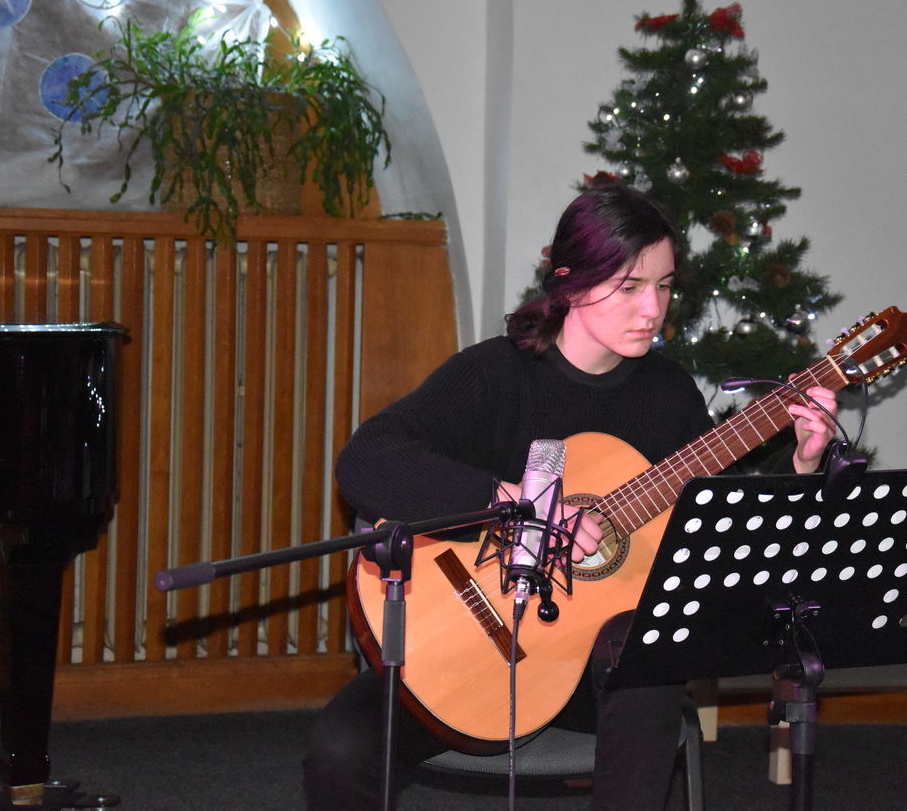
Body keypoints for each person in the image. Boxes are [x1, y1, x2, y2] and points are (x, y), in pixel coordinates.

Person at [303, 184, 837, 810]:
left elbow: (722, 534)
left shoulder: (668, 397)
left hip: (595, 682)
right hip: (462, 653)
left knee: (642, 646)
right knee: (341, 749)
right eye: (629, 286)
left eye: (664, 286)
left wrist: (804, 465)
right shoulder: (495, 374)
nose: (652, 309)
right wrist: (514, 503)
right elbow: (366, 459)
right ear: (571, 282)